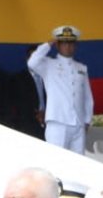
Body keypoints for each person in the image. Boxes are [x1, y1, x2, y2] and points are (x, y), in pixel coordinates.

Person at [28, 26, 94, 154]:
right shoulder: (48, 64)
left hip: (78, 122)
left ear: (75, 45)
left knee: (78, 163)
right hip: (58, 121)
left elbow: (87, 97)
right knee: (56, 161)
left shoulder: (81, 67)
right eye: (64, 43)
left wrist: (87, 120)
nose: (68, 46)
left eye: (71, 43)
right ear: (58, 45)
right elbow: (32, 62)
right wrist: (48, 44)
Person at [9, 44, 46, 140]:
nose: (35, 60)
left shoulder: (51, 77)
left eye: (38, 57)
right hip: (26, 127)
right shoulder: (18, 79)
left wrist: (46, 114)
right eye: (32, 57)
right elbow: (16, 105)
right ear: (27, 59)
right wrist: (36, 115)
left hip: (50, 126)